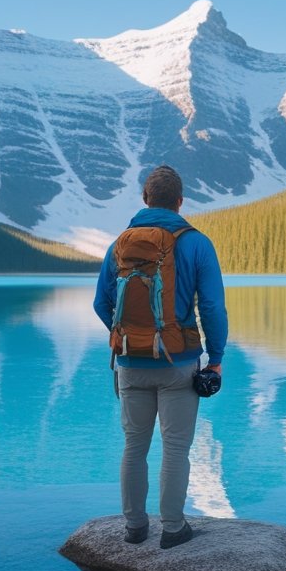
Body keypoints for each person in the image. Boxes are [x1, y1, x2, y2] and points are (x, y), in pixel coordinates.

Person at [93, 164, 228, 549]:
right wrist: (215, 358)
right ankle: (172, 528)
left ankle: (135, 528)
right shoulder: (197, 242)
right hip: (179, 363)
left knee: (134, 446)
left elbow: (101, 303)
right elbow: (213, 308)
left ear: (145, 199)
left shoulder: (120, 243)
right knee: (175, 448)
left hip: (130, 364)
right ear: (181, 202)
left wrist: (129, 338)